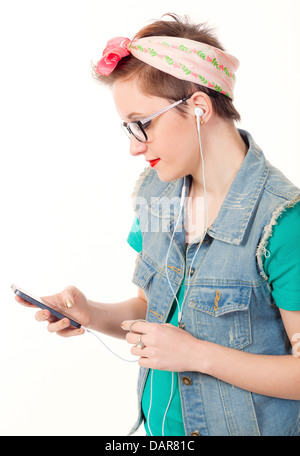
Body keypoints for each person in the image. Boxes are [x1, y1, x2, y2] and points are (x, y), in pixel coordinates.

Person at [15, 13, 300, 437]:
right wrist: (90, 314)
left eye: (142, 123)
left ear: (199, 107)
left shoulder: (283, 221)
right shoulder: (157, 193)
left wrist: (198, 355)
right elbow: (154, 310)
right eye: (127, 129)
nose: (133, 146)